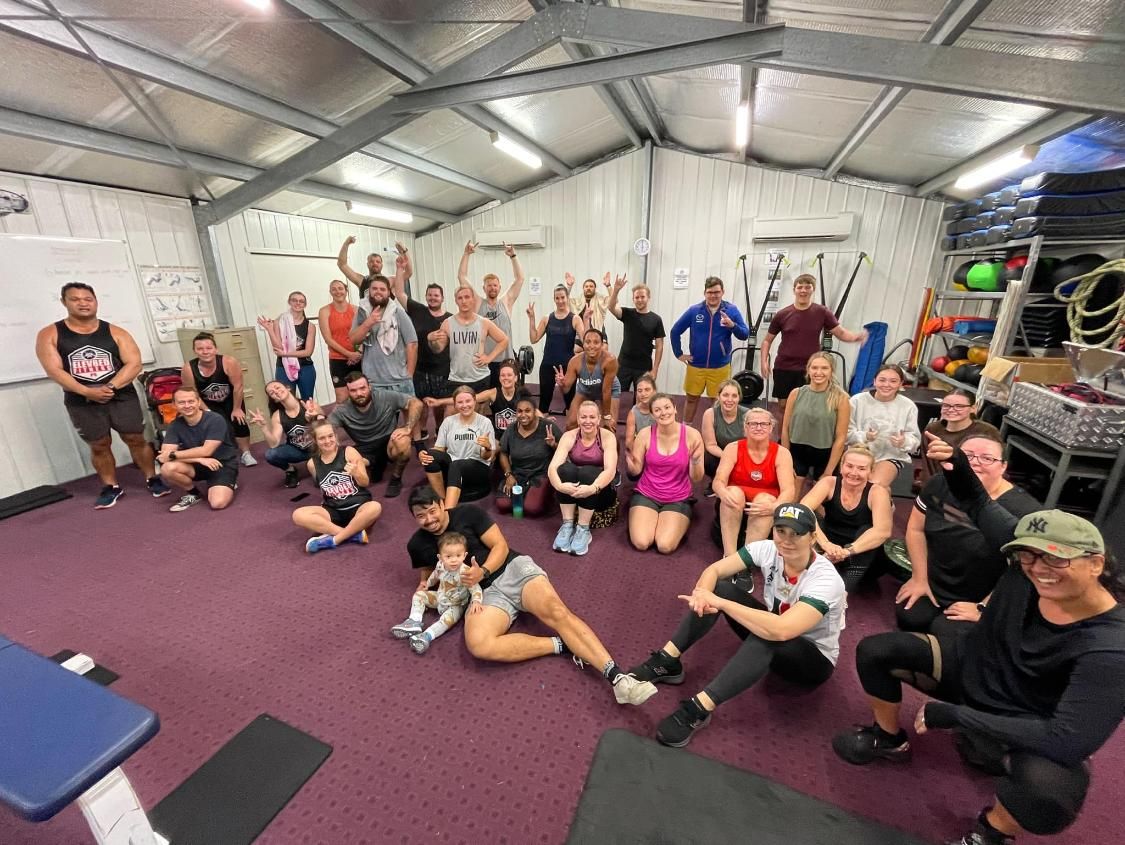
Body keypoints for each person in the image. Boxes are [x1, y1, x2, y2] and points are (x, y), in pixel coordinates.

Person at [832, 439, 1125, 845]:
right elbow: (979, 503)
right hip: (973, 670)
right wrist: (956, 460)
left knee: (1050, 790)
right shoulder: (1027, 559)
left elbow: (1067, 738)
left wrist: (954, 716)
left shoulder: (1111, 647)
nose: (1040, 569)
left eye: (1057, 560)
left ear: (1095, 563)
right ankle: (890, 739)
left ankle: (991, 833)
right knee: (876, 651)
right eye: (1029, 557)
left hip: (1023, 721)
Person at [407, 486, 657, 706]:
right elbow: (428, 570)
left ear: (442, 504)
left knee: (557, 612)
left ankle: (618, 678)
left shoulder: (468, 513)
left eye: (432, 511)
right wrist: (423, 586)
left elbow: (500, 546)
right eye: (421, 516)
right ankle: (561, 645)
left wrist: (481, 571)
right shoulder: (417, 544)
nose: (429, 520)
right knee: (479, 644)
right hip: (482, 595)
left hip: (511, 569)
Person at [630, 503, 845, 748]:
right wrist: (702, 594)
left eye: (796, 533)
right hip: (775, 627)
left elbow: (782, 629)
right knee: (721, 587)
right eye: (781, 531)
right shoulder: (767, 549)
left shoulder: (826, 580)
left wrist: (720, 603)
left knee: (768, 633)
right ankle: (668, 660)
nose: (786, 540)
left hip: (812, 658)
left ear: (813, 537)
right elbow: (715, 570)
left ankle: (700, 707)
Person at [34, 282, 168, 508]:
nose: (82, 303)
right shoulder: (50, 334)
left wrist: (112, 387)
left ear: (95, 301)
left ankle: (152, 478)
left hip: (121, 395)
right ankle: (110, 486)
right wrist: (86, 391)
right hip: (81, 399)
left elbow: (134, 363)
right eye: (75, 299)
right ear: (64, 302)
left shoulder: (115, 332)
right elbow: (54, 370)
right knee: (99, 444)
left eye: (87, 299)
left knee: (136, 438)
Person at [897, 434, 1039, 637]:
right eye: (968, 456)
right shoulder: (939, 483)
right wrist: (919, 578)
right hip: (936, 582)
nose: (976, 464)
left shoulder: (1024, 510)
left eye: (987, 458)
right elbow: (915, 529)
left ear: (1003, 466)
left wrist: (983, 607)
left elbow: (1022, 571)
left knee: (948, 632)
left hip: (978, 594)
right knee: (910, 617)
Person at [759, 273, 867, 414]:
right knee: (784, 406)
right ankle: (784, 435)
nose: (803, 290)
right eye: (800, 287)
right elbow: (767, 340)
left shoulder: (822, 312)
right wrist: (763, 362)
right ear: (794, 290)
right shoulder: (782, 314)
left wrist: (856, 337)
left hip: (811, 369)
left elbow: (840, 333)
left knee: (808, 406)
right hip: (784, 367)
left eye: (807, 287)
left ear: (812, 289)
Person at [305, 371, 420, 498]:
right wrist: (317, 416)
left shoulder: (385, 396)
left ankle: (396, 478)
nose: (359, 393)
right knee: (342, 468)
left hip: (389, 441)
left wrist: (408, 428)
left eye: (362, 388)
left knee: (403, 441)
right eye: (353, 390)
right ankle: (374, 466)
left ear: (369, 387)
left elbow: (416, 403)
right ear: (348, 392)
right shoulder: (342, 410)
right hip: (365, 448)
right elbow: (325, 429)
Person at [801, 444, 893, 592]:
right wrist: (826, 544)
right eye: (849, 466)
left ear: (870, 471)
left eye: (862, 468)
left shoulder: (878, 492)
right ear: (841, 466)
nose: (854, 473)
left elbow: (882, 532)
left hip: (863, 555)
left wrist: (846, 552)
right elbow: (803, 510)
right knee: (805, 519)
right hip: (829, 549)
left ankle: (843, 591)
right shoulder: (829, 483)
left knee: (868, 530)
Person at [627, 393, 705, 554]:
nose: (663, 413)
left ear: (675, 409)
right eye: (657, 410)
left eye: (667, 407)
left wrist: (695, 461)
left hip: (678, 497)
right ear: (652, 414)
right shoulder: (645, 434)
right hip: (647, 493)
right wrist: (631, 465)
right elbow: (635, 471)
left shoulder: (692, 435)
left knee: (665, 546)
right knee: (641, 542)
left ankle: (668, 519)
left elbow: (697, 478)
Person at [712, 407, 797, 556]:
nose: (759, 427)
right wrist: (723, 493)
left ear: (771, 428)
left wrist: (775, 507)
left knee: (764, 500)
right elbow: (718, 481)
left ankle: (747, 559)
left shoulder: (782, 453)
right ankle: (729, 556)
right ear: (745, 427)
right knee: (732, 493)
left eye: (764, 424)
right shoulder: (732, 448)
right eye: (753, 424)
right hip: (735, 502)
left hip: (764, 505)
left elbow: (788, 490)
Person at [670, 276, 749, 425]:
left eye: (716, 292)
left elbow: (744, 334)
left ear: (722, 292)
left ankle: (716, 430)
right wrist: (678, 353)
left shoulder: (731, 310)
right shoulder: (694, 311)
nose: (713, 295)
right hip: (696, 365)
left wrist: (732, 325)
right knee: (691, 398)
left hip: (720, 367)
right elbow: (675, 331)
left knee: (718, 402)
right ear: (704, 293)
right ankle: (686, 429)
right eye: (710, 292)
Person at [294, 419, 382, 554]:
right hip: (333, 510)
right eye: (322, 438)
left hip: (358, 507)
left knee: (375, 507)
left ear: (335, 436)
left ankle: (334, 539)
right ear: (315, 441)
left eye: (330, 436)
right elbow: (324, 488)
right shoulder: (312, 464)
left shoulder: (349, 452)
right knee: (298, 515)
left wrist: (356, 473)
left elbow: (365, 483)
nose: (328, 441)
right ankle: (351, 535)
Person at [390, 253, 451, 441]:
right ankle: (423, 429)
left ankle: (440, 427)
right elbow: (399, 292)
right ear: (426, 296)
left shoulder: (450, 318)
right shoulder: (417, 310)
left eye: (436, 295)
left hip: (442, 368)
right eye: (430, 295)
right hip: (420, 367)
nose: (433, 298)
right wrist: (400, 268)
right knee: (422, 403)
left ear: (442, 297)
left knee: (439, 404)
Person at [392, 531, 483, 655]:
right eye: (448, 556)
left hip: (455, 605)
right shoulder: (440, 565)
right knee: (419, 595)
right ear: (440, 557)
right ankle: (414, 621)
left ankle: (427, 636)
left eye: (458, 555)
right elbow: (435, 575)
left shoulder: (465, 572)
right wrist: (427, 584)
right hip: (440, 597)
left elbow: (476, 588)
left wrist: (476, 601)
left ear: (464, 555)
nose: (454, 560)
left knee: (446, 620)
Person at [547, 400, 618, 557]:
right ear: (578, 419)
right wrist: (559, 486)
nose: (587, 421)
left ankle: (583, 529)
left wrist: (592, 488)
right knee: (564, 470)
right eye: (583, 417)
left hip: (600, 490)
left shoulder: (607, 437)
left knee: (588, 473)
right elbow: (552, 468)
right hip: (577, 490)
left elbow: (610, 471)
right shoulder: (569, 436)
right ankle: (567, 525)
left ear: (599, 419)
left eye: (592, 417)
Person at [180, 332, 256, 467]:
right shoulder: (188, 369)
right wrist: (207, 411)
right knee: (219, 426)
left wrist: (237, 408)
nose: (205, 352)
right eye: (200, 349)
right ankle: (226, 457)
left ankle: (246, 453)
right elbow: (192, 394)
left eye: (209, 348)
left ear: (216, 349)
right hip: (206, 403)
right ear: (194, 351)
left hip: (231, 399)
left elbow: (238, 386)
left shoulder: (229, 362)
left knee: (240, 422)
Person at [157, 387, 239, 512]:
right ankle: (194, 494)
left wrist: (173, 455)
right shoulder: (175, 425)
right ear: (174, 405)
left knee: (217, 503)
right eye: (181, 402)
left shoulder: (215, 419)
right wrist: (199, 459)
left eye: (191, 401)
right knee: (167, 468)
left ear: (198, 402)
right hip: (196, 464)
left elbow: (206, 451)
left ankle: (226, 482)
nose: (187, 405)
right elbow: (165, 454)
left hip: (221, 463)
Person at [457, 240, 524, 388]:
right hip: (486, 360)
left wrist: (513, 256)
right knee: (486, 399)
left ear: (499, 287)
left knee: (509, 396)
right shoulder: (478, 303)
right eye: (489, 286)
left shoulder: (506, 302)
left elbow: (520, 279)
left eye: (495, 285)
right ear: (484, 288)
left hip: (506, 360)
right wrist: (466, 254)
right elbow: (462, 277)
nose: (492, 288)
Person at [780, 351, 850, 489]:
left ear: (831, 371)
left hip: (824, 454)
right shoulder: (796, 393)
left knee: (820, 504)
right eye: (814, 368)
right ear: (808, 370)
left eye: (824, 368)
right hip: (797, 450)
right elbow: (785, 429)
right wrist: (785, 462)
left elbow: (841, 438)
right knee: (789, 498)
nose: (819, 372)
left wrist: (828, 471)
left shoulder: (840, 398)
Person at [419, 385, 497, 508]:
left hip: (478, 467)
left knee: (457, 465)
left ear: (475, 401)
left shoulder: (484, 422)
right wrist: (424, 454)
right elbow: (439, 449)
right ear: (455, 404)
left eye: (468, 401)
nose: (464, 405)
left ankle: (449, 512)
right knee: (430, 456)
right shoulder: (448, 422)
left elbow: (487, 458)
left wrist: (487, 447)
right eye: (460, 402)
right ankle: (441, 501)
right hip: (453, 464)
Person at [847, 364, 920, 488]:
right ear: (874, 381)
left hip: (890, 456)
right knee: (855, 487)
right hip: (859, 453)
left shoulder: (908, 406)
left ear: (901, 384)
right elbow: (845, 435)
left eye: (893, 381)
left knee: (874, 486)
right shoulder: (857, 401)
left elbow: (915, 441)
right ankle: (887, 503)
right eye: (882, 380)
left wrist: (903, 442)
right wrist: (865, 436)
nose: (887, 385)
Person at [430, 286, 509, 393]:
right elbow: (437, 349)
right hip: (456, 378)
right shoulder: (447, 323)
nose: (464, 301)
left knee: (480, 409)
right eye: (460, 298)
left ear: (473, 300)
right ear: (456, 301)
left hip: (480, 377)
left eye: (467, 297)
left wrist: (489, 358)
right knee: (457, 409)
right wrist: (430, 339)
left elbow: (504, 340)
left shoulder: (484, 322)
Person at [349, 275, 417, 395]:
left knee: (410, 412)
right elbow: (354, 340)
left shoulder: (398, 313)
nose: (378, 292)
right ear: (369, 291)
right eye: (374, 288)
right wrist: (368, 323)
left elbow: (412, 344)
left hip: (400, 381)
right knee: (380, 414)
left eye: (382, 289)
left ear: (388, 292)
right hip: (373, 382)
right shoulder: (362, 313)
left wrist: (409, 375)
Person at [497, 394, 561, 517]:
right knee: (503, 505)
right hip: (518, 474)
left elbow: (566, 450)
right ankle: (525, 494)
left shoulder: (548, 426)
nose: (523, 415)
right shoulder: (511, 429)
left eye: (528, 411)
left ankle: (547, 495)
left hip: (541, 474)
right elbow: (503, 453)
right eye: (519, 411)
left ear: (535, 412)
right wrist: (508, 475)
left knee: (532, 508)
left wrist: (553, 445)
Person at [921, 389, 1000, 482]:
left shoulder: (987, 431)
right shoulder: (932, 429)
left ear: (973, 408)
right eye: (946, 406)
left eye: (959, 406)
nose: (951, 410)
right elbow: (928, 465)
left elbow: (993, 464)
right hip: (938, 484)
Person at [427, 360, 522, 436]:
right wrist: (439, 402)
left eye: (509, 375)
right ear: (499, 377)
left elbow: (534, 412)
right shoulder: (492, 393)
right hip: (498, 437)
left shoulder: (523, 394)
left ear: (516, 377)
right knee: (486, 451)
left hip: (517, 436)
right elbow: (467, 398)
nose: (506, 378)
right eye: (503, 375)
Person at [528, 285, 582, 414]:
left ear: (567, 298)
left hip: (568, 367)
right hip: (548, 365)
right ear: (554, 299)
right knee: (544, 403)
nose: (560, 301)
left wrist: (586, 319)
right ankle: (542, 432)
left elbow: (586, 341)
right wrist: (531, 319)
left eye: (562, 297)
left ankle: (571, 432)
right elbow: (534, 339)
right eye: (557, 298)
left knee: (570, 404)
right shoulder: (547, 318)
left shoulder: (575, 319)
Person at [606, 274, 665, 392]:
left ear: (648, 298)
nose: (639, 300)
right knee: (617, 393)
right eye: (636, 297)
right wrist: (616, 290)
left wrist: (655, 370)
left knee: (642, 397)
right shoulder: (627, 313)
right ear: (633, 299)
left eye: (642, 297)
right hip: (623, 364)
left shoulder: (656, 319)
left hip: (644, 367)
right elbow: (611, 307)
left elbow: (659, 346)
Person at [250, 381, 314, 488]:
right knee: (271, 454)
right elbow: (274, 444)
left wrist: (314, 418)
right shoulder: (277, 416)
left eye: (277, 387)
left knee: (319, 480)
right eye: (272, 392)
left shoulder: (307, 404)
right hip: (298, 450)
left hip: (318, 448)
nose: (276, 392)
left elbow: (327, 427)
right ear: (274, 399)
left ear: (288, 388)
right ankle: (290, 470)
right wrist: (264, 427)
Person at [555, 329, 620, 430]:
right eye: (588, 342)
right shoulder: (575, 361)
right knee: (570, 424)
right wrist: (561, 384)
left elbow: (606, 390)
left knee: (609, 427)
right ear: (583, 344)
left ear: (602, 345)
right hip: (585, 390)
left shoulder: (610, 360)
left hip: (609, 390)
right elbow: (565, 390)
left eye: (596, 342)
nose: (591, 346)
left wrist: (607, 416)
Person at [257, 290, 317, 400]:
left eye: (301, 301)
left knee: (308, 400)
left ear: (305, 304)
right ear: (289, 302)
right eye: (294, 300)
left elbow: (308, 352)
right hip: (284, 367)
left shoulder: (310, 326)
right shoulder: (279, 321)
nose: (298, 303)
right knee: (286, 400)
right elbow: (278, 347)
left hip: (305, 367)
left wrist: (285, 354)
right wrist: (270, 330)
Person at [317, 279, 360, 404]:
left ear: (346, 291)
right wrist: (348, 354)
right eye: (334, 289)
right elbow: (328, 339)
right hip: (338, 359)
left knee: (361, 393)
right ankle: (345, 423)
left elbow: (363, 333)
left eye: (340, 288)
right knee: (342, 397)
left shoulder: (356, 310)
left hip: (358, 359)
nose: (338, 291)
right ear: (330, 292)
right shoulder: (324, 311)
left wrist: (358, 353)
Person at [700, 378, 748, 483]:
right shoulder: (710, 414)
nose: (729, 400)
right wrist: (728, 458)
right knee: (708, 460)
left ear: (739, 398)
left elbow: (753, 443)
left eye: (734, 396)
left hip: (741, 453)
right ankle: (716, 481)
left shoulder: (747, 415)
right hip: (719, 452)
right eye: (725, 395)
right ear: (718, 396)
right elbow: (710, 445)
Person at [337, 235, 408, 299]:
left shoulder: (390, 281)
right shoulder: (362, 280)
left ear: (382, 265)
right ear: (367, 264)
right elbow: (342, 264)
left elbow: (408, 272)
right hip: (367, 314)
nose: (375, 263)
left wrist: (404, 251)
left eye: (378, 261)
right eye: (371, 261)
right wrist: (346, 243)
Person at [565, 271, 611, 336]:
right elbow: (564, 301)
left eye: (591, 286)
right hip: (581, 333)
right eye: (586, 286)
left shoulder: (601, 299)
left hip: (598, 330)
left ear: (595, 288)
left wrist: (608, 286)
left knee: (604, 346)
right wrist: (569, 287)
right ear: (583, 288)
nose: (588, 288)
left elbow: (614, 301)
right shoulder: (577, 301)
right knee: (577, 346)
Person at [624, 374, 657, 456]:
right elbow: (629, 441)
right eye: (639, 390)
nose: (643, 393)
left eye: (647, 390)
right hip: (640, 448)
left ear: (654, 391)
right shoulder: (633, 413)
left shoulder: (661, 409)